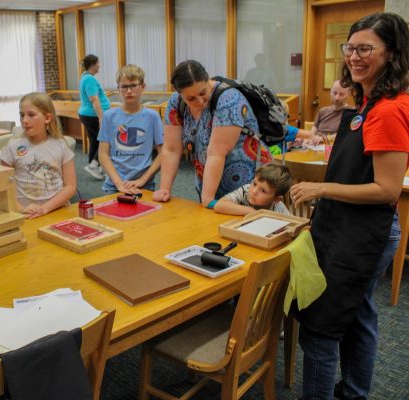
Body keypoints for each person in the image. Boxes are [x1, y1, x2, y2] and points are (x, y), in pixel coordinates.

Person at [289, 12, 409, 400]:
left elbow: (387, 189)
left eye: (365, 49)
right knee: (359, 317)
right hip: (355, 226)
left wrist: (321, 189)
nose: (354, 57)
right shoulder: (372, 101)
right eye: (350, 48)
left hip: (364, 233)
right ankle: (355, 392)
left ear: (391, 53)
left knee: (321, 328)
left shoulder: (389, 108)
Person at [153, 60, 273, 208]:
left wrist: (208, 198)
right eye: (190, 98)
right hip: (209, 181)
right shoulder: (175, 102)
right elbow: (171, 149)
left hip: (248, 184)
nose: (200, 101)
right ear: (180, 94)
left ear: (207, 80)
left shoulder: (228, 99)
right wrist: (164, 189)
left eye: (203, 93)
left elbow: (217, 152)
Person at [0, 92, 76, 219]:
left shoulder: (61, 145)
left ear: (47, 118)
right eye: (22, 115)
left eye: (31, 115)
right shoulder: (13, 147)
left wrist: (45, 208)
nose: (24, 120)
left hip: (57, 210)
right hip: (25, 214)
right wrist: (22, 209)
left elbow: (70, 186)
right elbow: (3, 187)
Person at [98, 64, 163, 194]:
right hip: (114, 185)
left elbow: (163, 153)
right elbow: (103, 154)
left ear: (143, 86)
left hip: (144, 185)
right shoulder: (109, 116)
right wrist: (118, 183)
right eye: (124, 86)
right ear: (118, 89)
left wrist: (142, 180)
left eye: (133, 85)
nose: (129, 91)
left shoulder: (153, 117)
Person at [78, 54, 111, 180]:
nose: (99, 65)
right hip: (92, 115)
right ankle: (94, 165)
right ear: (92, 65)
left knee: (95, 141)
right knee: (106, 140)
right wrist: (101, 117)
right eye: (97, 63)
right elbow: (94, 99)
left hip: (88, 114)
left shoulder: (85, 77)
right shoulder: (90, 79)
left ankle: (95, 167)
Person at [214, 163, 291, 216]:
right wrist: (251, 211)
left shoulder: (280, 210)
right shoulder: (245, 191)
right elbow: (219, 205)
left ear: (276, 199)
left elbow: (294, 226)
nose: (254, 191)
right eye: (254, 184)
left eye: (263, 191)